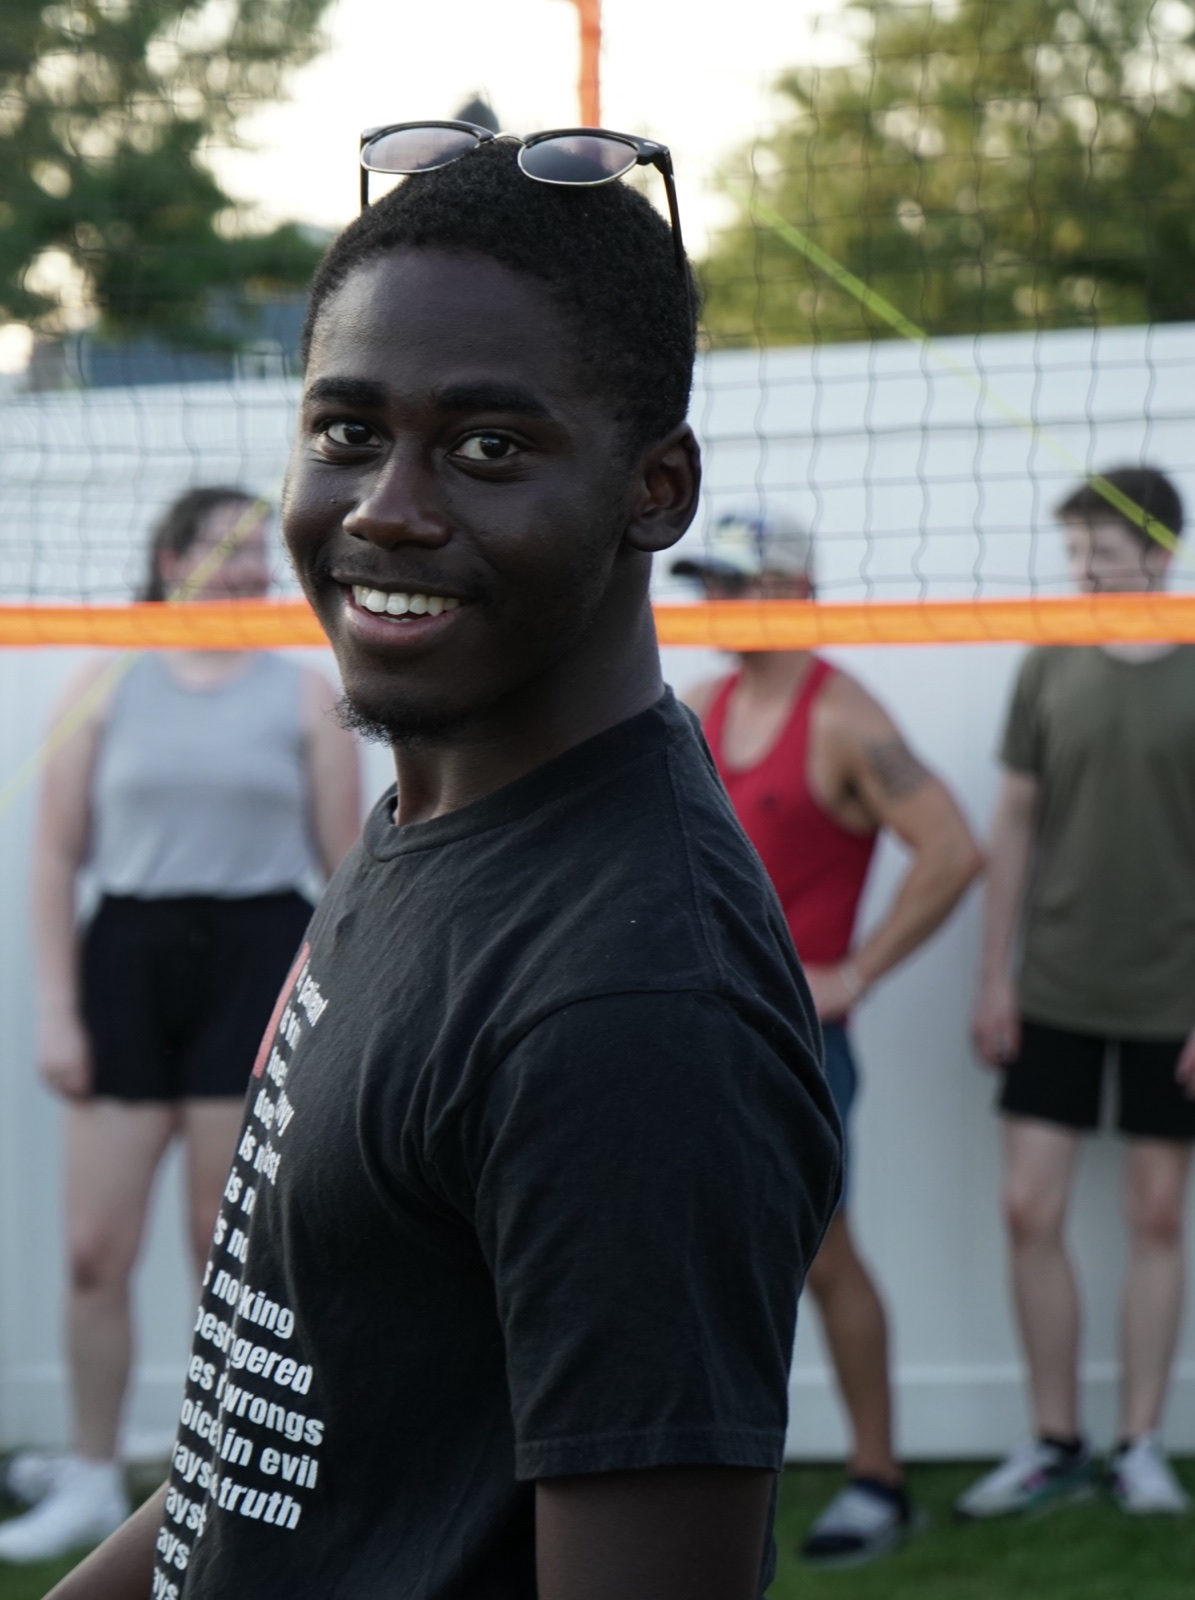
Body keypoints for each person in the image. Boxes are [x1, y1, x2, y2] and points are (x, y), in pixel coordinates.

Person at [44, 132, 839, 1600]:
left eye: (488, 447)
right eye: (346, 432)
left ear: (654, 491)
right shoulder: (436, 811)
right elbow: (286, 1463)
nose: (386, 508)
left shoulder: (633, 1015)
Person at [0, 488, 362, 1565]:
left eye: (255, 550)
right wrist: (59, 1008)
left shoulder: (307, 694)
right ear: (168, 558)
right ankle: (91, 1475)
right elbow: (57, 856)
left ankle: (223, 1481)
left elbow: (348, 873)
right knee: (95, 1249)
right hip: (128, 963)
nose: (240, 567)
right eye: (217, 547)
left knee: (223, 1250)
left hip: (258, 961)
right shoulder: (103, 680)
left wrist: (310, 997)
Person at [963, 465, 1195, 1519]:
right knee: (1025, 1210)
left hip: (1175, 996)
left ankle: (1140, 1446)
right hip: (1052, 983)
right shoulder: (1048, 664)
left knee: (1157, 1214)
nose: (1084, 569)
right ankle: (1055, 1440)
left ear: (1158, 551)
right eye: (1074, 552)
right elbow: (1012, 825)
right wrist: (993, 975)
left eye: (1101, 548)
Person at [676, 509, 984, 1565]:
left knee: (822, 1256)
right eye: (710, 584)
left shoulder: (844, 713)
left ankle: (879, 1480)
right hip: (693, 1037)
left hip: (798, 1046)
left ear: (794, 590)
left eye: (737, 584)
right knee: (680, 1261)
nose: (717, 605)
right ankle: (684, 1481)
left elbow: (951, 849)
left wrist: (856, 971)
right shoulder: (702, 705)